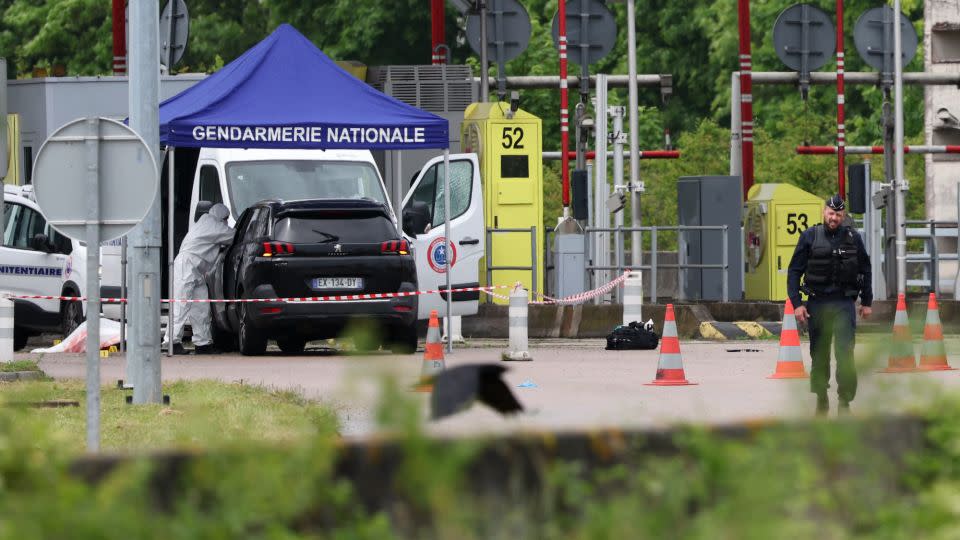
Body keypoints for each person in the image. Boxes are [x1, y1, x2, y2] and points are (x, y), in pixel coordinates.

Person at [787, 194, 873, 416]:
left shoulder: (853, 238)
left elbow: (866, 269)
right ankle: (821, 397)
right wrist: (797, 304)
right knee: (819, 354)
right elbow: (794, 271)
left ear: (843, 216)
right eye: (831, 213)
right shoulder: (809, 236)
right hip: (817, 303)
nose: (834, 217)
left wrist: (867, 301)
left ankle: (844, 402)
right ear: (824, 211)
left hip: (844, 303)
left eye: (838, 214)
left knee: (845, 354)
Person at [163, 203, 234, 354]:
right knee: (180, 305)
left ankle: (203, 343)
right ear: (221, 216)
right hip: (187, 266)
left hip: (196, 270)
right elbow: (233, 236)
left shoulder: (205, 222)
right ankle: (171, 342)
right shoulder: (213, 224)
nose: (227, 221)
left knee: (201, 308)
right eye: (226, 218)